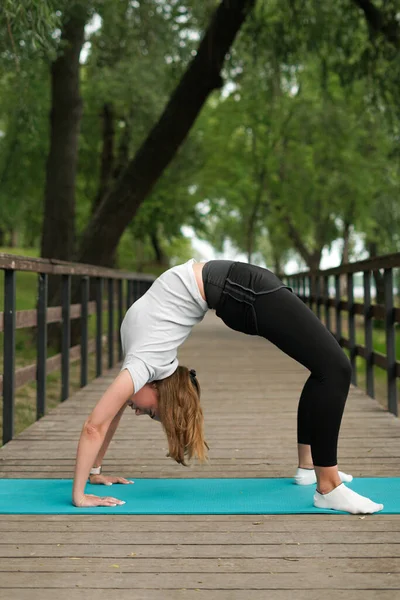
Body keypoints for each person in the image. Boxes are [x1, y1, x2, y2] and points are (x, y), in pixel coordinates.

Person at [72, 258, 384, 514]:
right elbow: (107, 417)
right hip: (238, 288)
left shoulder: (144, 362)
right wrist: (93, 475)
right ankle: (323, 479)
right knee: (332, 368)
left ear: (159, 391)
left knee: (332, 369)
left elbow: (94, 426)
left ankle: (317, 476)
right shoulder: (146, 363)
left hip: (242, 290)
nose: (138, 412)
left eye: (151, 412)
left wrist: (81, 494)